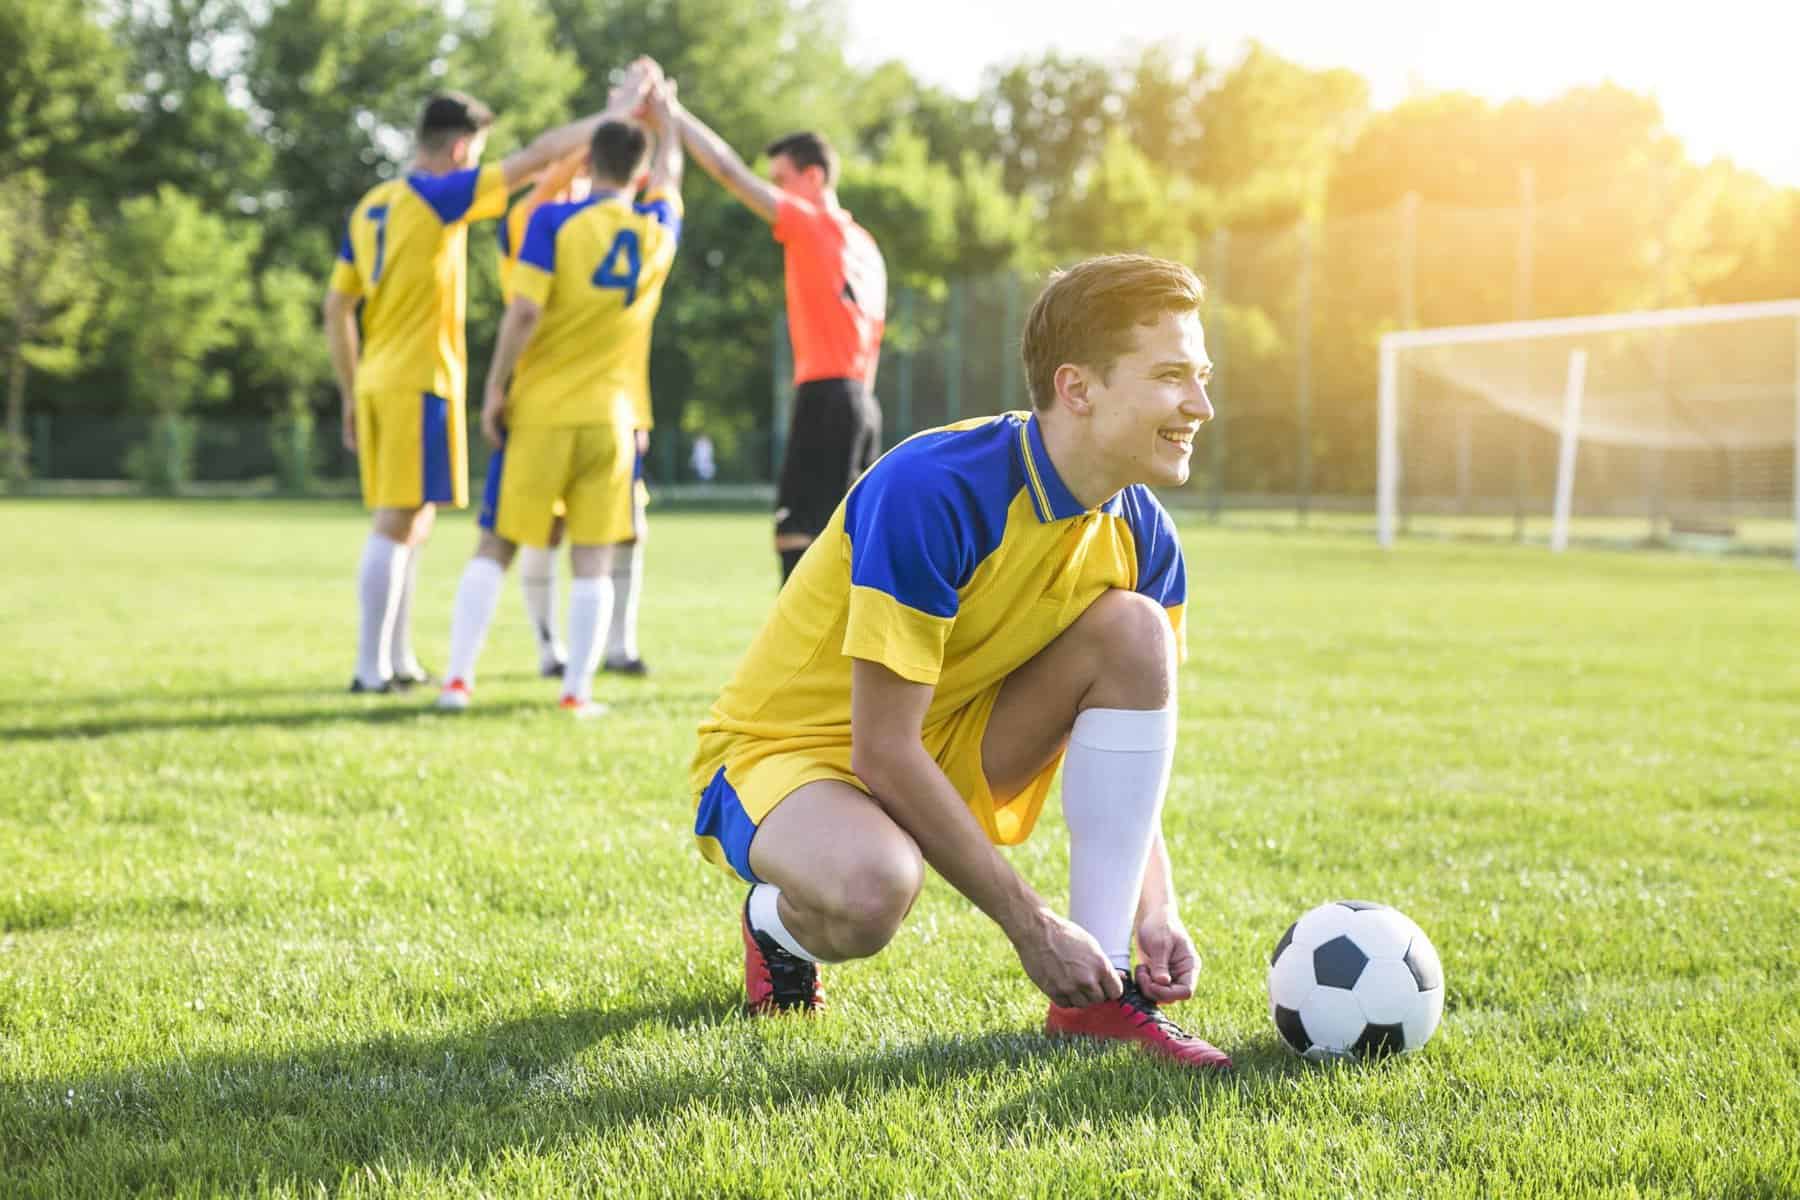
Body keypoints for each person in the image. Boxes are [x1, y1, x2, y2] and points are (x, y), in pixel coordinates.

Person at [687, 254, 1231, 1069]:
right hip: (788, 756)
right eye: (1169, 377)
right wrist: (1031, 923)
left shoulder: (1145, 534)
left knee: (1137, 632)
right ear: (1078, 389)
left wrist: (1158, 906)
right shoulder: (936, 489)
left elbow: (1131, 755)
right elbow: (881, 747)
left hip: (948, 744)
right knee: (874, 891)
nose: (1200, 405)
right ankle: (775, 923)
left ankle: (1106, 996)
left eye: (1202, 376)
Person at [325, 67, 658, 693]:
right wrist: (616, 112)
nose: (478, 165)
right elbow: (538, 161)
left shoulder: (373, 203)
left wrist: (349, 387)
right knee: (398, 520)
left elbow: (336, 307)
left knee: (414, 520)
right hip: (420, 376)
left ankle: (396, 660)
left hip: (378, 376)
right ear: (458, 150)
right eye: (475, 154)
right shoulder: (437, 194)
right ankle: (369, 668)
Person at [436, 77, 683, 715]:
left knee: (497, 541)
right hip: (613, 417)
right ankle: (577, 691)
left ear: (589, 163)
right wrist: (669, 119)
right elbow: (673, 178)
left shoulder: (551, 220)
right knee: (595, 556)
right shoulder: (656, 227)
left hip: (544, 408)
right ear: (640, 171)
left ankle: (458, 681)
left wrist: (495, 388)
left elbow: (522, 313)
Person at [667, 92, 886, 582]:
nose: (778, 192)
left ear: (814, 177)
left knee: (798, 534)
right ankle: (839, 650)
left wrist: (676, 114)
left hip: (827, 395)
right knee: (847, 538)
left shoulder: (813, 227)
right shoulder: (867, 246)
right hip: (861, 403)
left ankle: (807, 656)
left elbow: (727, 171)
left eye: (783, 181)